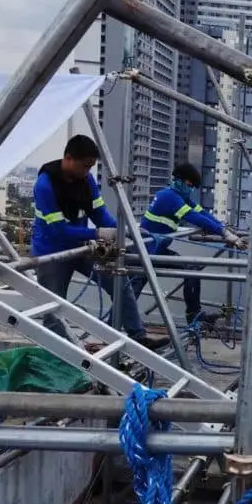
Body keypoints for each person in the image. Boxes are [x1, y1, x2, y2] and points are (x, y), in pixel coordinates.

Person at [31, 135, 167, 349]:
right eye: (85, 166)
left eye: (91, 167)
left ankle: (138, 336)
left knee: (120, 284)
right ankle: (65, 354)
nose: (87, 171)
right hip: (52, 252)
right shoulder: (45, 185)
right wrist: (98, 233)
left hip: (81, 246)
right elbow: (59, 230)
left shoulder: (86, 181)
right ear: (69, 158)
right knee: (54, 310)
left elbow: (100, 214)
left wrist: (126, 231)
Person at [139, 162, 246, 325]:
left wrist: (223, 228)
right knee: (130, 292)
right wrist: (224, 233)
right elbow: (193, 217)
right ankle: (116, 324)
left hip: (156, 250)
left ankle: (194, 315)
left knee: (191, 270)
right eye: (189, 185)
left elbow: (202, 213)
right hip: (146, 252)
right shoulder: (169, 197)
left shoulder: (180, 197)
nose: (191, 189)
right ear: (179, 180)